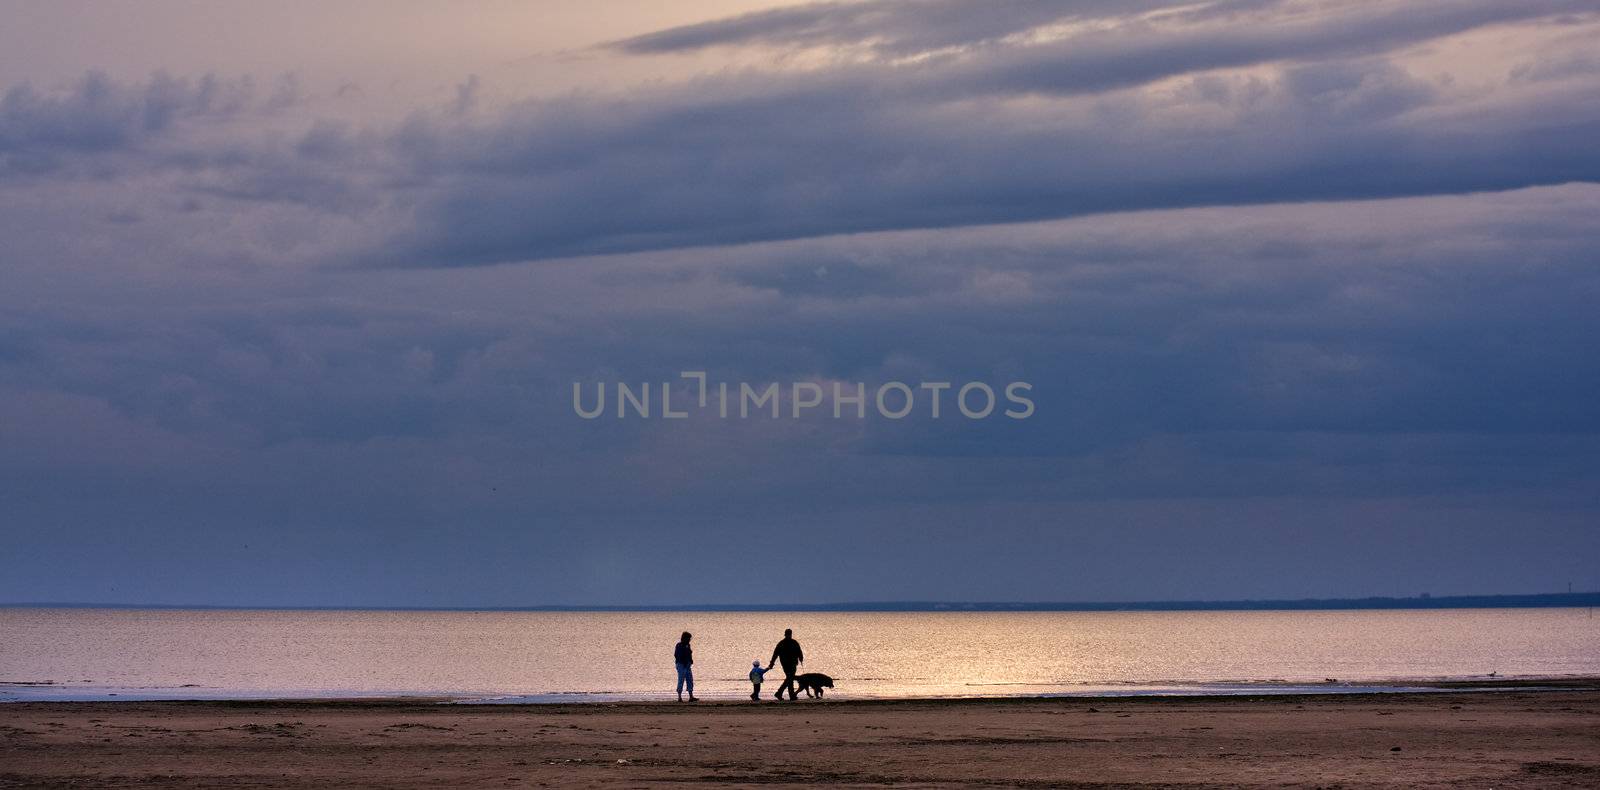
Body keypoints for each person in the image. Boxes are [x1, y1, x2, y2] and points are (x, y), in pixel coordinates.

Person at [767, 628, 803, 701]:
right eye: (787, 635)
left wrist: (801, 658)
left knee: (790, 678)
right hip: (785, 664)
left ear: (790, 634)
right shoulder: (782, 643)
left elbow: (799, 652)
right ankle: (787, 695)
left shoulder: (793, 642)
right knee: (790, 678)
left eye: (789, 635)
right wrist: (771, 663)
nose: (788, 636)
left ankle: (782, 693)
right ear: (786, 634)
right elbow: (775, 654)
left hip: (793, 663)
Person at [674, 631, 697, 702]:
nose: (689, 640)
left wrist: (690, 660)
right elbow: (676, 655)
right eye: (688, 638)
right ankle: (679, 697)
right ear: (684, 638)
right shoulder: (679, 645)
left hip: (687, 665)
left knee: (690, 679)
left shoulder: (688, 645)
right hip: (681, 665)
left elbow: (689, 653)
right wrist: (683, 661)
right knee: (681, 680)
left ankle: (691, 696)